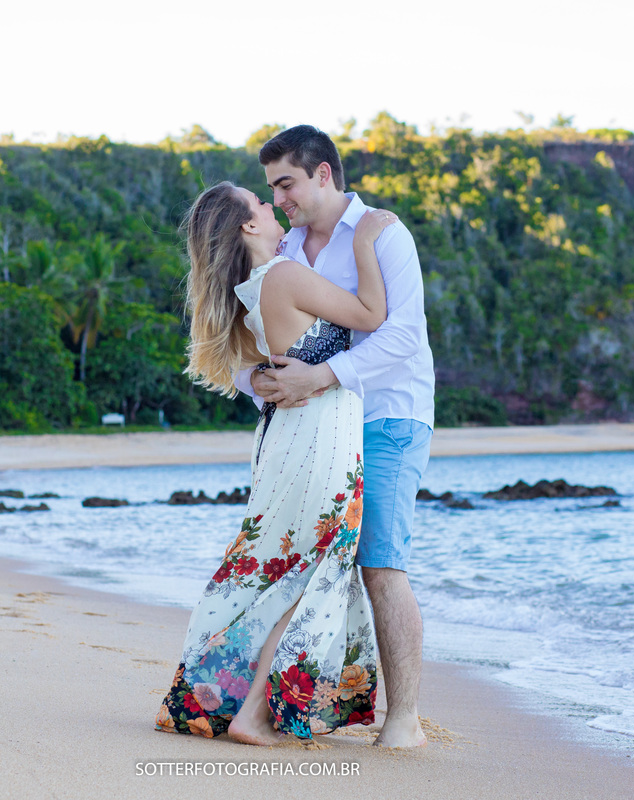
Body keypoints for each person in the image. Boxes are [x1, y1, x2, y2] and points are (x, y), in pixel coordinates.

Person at [155, 180, 398, 745]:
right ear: (248, 225)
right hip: (319, 435)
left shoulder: (250, 288)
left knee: (274, 569)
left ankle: (220, 699)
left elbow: (255, 372)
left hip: (289, 436)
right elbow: (372, 314)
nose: (270, 205)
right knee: (309, 571)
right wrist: (365, 240)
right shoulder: (283, 276)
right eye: (260, 203)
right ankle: (253, 713)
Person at [242, 125, 436, 749]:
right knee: (302, 561)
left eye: (286, 184)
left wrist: (321, 376)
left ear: (323, 173)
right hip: (316, 427)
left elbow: (402, 334)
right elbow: (260, 342)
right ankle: (280, 707)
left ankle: (403, 721)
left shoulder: (384, 233)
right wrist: (260, 382)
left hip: (386, 417)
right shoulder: (284, 248)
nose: (279, 199)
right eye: (272, 188)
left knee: (380, 563)